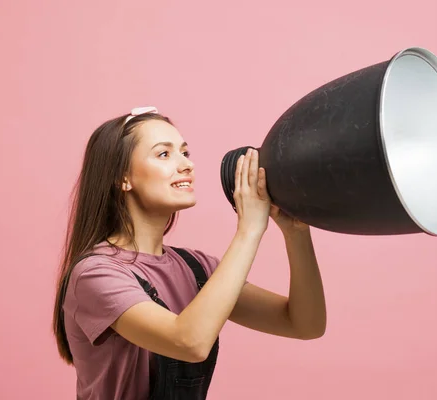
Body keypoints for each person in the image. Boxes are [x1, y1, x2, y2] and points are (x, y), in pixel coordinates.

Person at [52, 106, 327, 400]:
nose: (186, 165)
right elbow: (189, 341)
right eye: (164, 154)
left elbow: (304, 324)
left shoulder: (197, 268)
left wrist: (296, 233)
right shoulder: (95, 274)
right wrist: (249, 229)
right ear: (123, 178)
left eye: (185, 153)